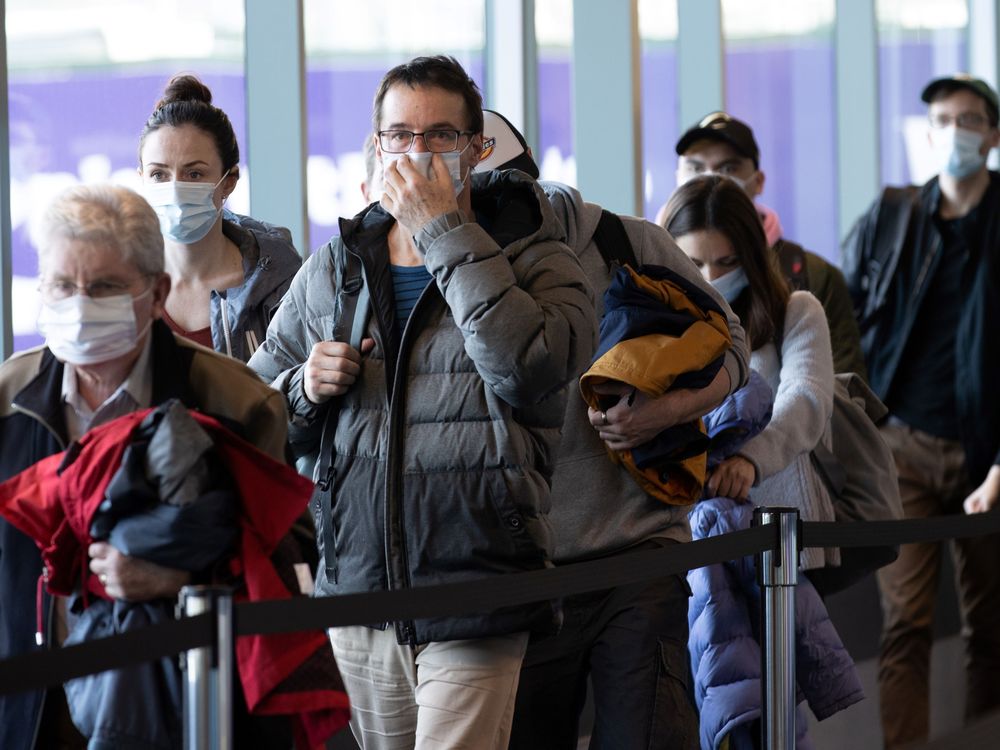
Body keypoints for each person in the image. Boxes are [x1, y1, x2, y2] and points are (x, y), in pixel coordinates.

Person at [248, 55, 596, 749]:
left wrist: (443, 230)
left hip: (479, 584)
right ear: (376, 148)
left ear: (477, 149)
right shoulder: (337, 266)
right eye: (400, 135)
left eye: (440, 136)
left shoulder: (535, 251)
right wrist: (304, 388)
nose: (418, 153)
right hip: (361, 590)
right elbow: (251, 415)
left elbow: (533, 368)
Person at [474, 112, 750, 749]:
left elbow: (729, 337)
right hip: (521, 567)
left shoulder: (626, 240)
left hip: (638, 549)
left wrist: (667, 408)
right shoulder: (450, 265)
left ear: (531, 184)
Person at [0, 184, 297, 749]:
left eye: (105, 287)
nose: (80, 306)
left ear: (157, 291)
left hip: (186, 714)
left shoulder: (235, 402)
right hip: (32, 715)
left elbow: (293, 573)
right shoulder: (6, 403)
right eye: (62, 286)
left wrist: (182, 582)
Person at [842, 73, 1000, 749]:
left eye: (969, 119)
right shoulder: (893, 215)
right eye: (942, 118)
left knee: (990, 626)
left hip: (986, 453)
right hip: (901, 446)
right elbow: (848, 315)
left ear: (993, 135)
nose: (955, 131)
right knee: (904, 622)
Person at [665, 175, 837, 571]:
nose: (709, 278)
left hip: (780, 529)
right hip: (687, 533)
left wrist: (751, 458)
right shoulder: (651, 321)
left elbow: (806, 397)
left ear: (752, 256)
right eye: (692, 263)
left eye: (727, 262)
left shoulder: (795, 311)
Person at [662, 111, 867, 379]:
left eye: (728, 168)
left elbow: (843, 390)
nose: (711, 178)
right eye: (696, 167)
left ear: (758, 181)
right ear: (678, 176)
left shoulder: (812, 276)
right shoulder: (644, 271)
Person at [138, 74, 301, 362]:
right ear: (141, 179)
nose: (175, 189)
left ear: (229, 181)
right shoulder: (122, 284)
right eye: (159, 175)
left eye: (195, 174)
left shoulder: (276, 285)